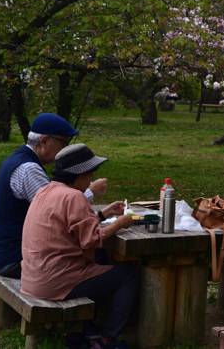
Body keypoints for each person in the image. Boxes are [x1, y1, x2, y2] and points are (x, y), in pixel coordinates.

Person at [21, 144, 138, 349]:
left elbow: (72, 227)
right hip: (54, 282)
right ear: (78, 175)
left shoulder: (46, 190)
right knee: (128, 276)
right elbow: (91, 240)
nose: (91, 180)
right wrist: (120, 223)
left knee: (100, 260)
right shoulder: (75, 196)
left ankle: (77, 333)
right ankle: (107, 339)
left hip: (33, 277)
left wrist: (103, 214)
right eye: (89, 174)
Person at [0, 113, 119, 278]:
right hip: (16, 258)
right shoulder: (29, 169)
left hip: (7, 253)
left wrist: (101, 214)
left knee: (93, 251)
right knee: (97, 254)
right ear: (44, 141)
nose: (65, 150)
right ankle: (88, 300)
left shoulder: (18, 160)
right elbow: (57, 208)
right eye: (63, 144)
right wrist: (90, 191)